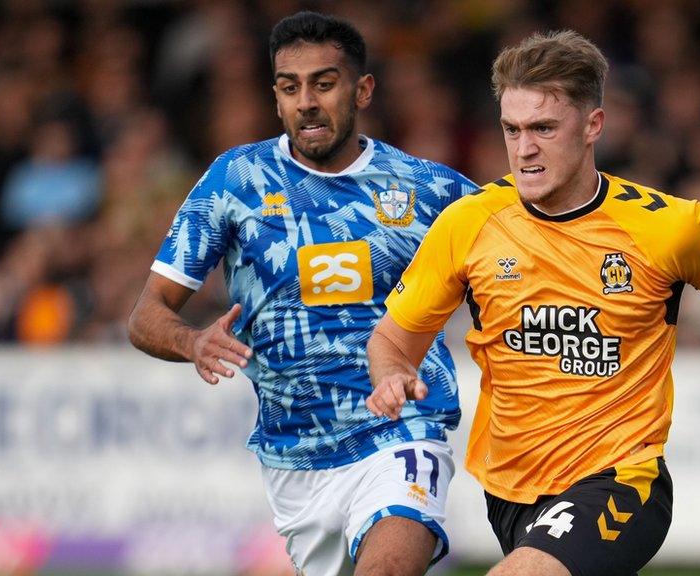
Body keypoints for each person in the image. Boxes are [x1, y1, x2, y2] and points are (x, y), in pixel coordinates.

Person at [366, 30, 700, 576]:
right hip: (509, 488)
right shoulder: (470, 223)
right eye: (512, 129)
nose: (524, 149)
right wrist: (391, 374)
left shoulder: (669, 227)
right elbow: (392, 339)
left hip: (622, 479)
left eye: (543, 127)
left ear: (593, 126)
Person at [128, 12, 477, 576]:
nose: (307, 101)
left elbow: (521, 258)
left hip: (402, 427)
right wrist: (192, 342)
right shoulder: (235, 181)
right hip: (296, 456)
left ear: (362, 89)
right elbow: (146, 314)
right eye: (290, 87)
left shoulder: (431, 189)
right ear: (276, 97)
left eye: (324, 83)